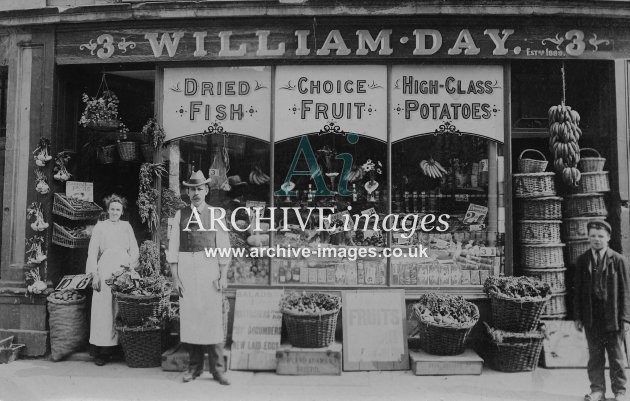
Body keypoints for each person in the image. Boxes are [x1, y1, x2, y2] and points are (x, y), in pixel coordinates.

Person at [167, 170, 232, 384]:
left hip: (209, 268)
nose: (195, 193)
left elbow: (224, 247)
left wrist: (223, 275)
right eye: (192, 189)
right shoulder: (180, 215)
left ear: (206, 190)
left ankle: (217, 370)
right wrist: (175, 278)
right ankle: (194, 368)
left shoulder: (217, 214)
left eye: (199, 188)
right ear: (187, 191)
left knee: (212, 319)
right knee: (191, 319)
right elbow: (173, 249)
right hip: (187, 268)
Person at [574, 220, 630, 401]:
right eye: (592, 236)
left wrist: (626, 318)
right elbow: (578, 291)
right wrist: (578, 316)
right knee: (595, 356)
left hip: (613, 317)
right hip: (592, 317)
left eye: (600, 236)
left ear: (608, 238)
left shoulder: (619, 260)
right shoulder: (583, 261)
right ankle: (597, 390)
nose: (596, 240)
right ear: (588, 237)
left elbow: (626, 291)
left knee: (617, 357)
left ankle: (620, 392)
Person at [86, 194, 139, 366]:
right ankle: (102, 350)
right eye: (112, 209)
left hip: (122, 269)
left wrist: (131, 268)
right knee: (103, 309)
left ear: (122, 212)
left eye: (118, 209)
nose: (115, 212)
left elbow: (134, 249)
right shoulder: (100, 227)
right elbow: (93, 251)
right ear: (108, 210)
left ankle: (120, 348)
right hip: (106, 268)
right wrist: (95, 274)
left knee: (120, 307)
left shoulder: (126, 227)